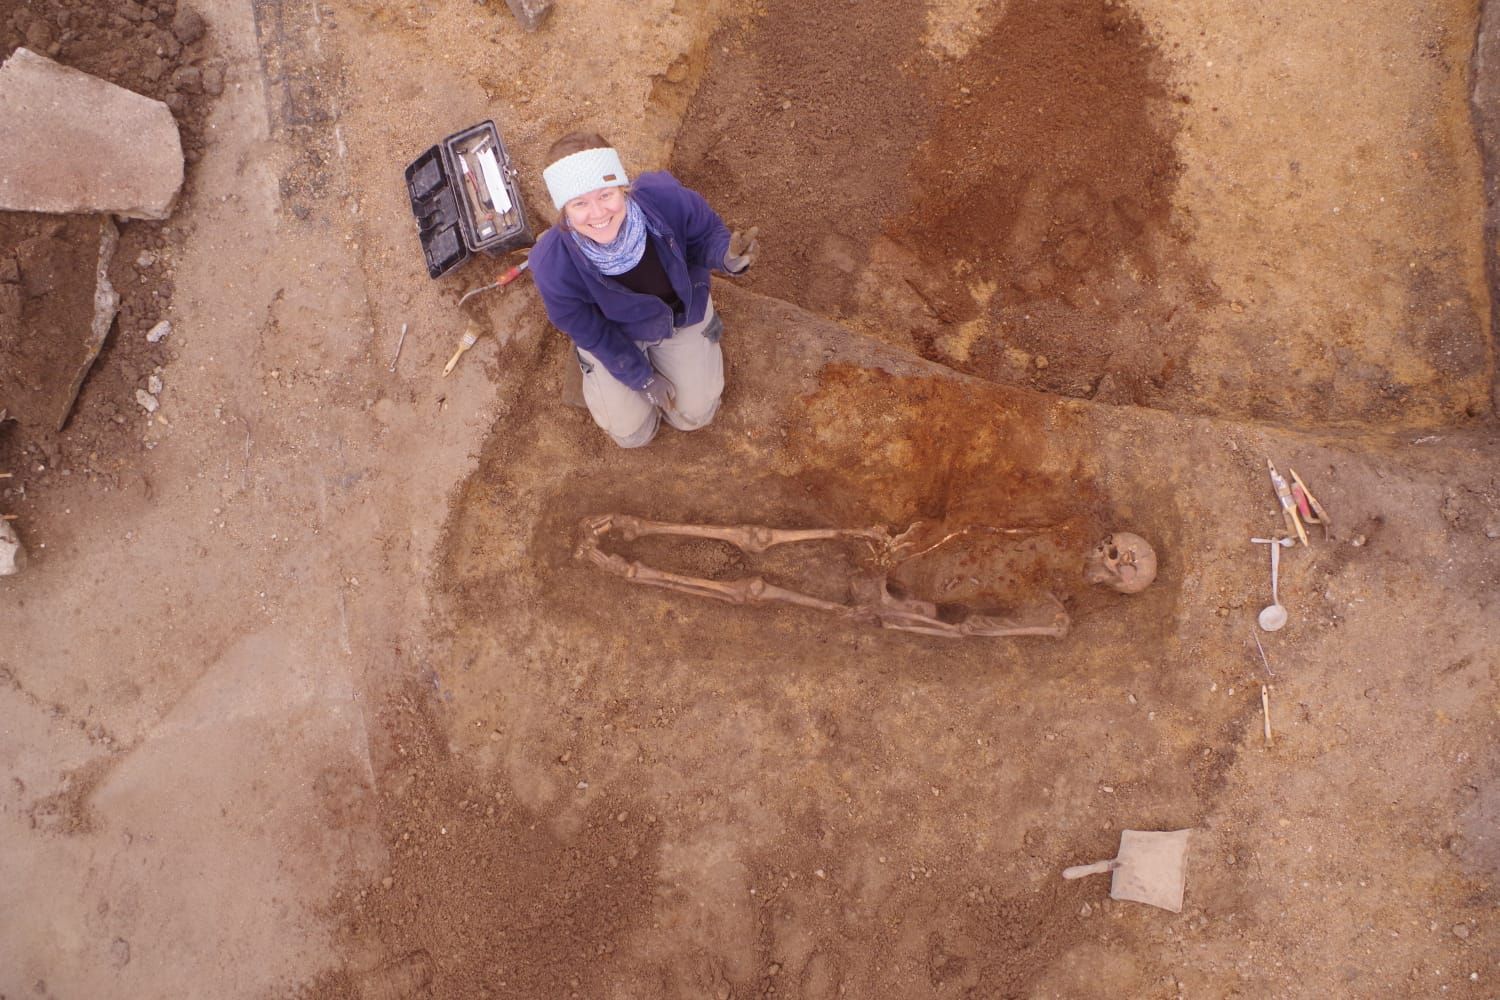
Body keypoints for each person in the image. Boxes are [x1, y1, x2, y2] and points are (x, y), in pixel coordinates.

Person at [529, 132, 758, 448]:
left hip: (679, 316)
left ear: (622, 187)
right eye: (580, 202)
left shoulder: (666, 199)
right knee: (631, 434)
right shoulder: (552, 264)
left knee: (694, 416)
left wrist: (726, 256)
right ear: (564, 208)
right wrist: (642, 378)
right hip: (616, 333)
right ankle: (595, 365)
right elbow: (591, 331)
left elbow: (705, 235)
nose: (598, 214)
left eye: (606, 195)